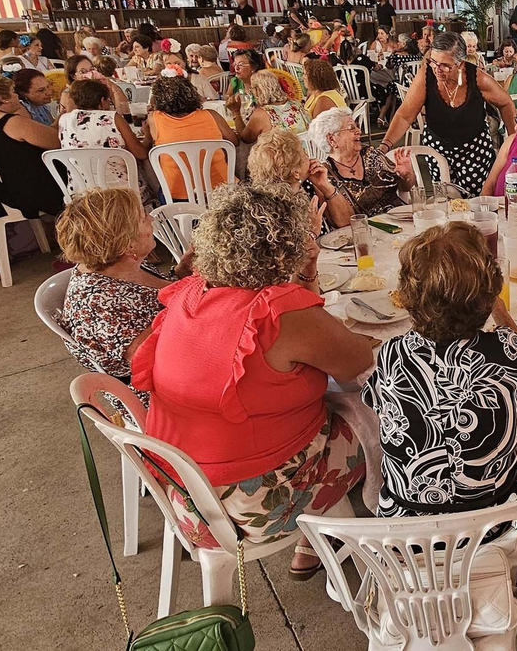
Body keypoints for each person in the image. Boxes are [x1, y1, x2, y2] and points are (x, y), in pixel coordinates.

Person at [133, 182, 375, 579]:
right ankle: (356, 525)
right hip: (254, 508)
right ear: (287, 246)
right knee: (377, 413)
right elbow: (359, 363)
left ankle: (317, 538)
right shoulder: (279, 313)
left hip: (187, 497)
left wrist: (307, 274)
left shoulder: (189, 292)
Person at [364, 222, 517, 540]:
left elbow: (373, 401)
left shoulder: (392, 353)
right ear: (488, 295)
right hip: (498, 538)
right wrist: (501, 313)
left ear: (408, 297)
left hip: (405, 541)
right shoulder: (505, 350)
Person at [56, 188, 188, 402]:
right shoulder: (100, 304)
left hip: (184, 362)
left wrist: (183, 271)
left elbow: (157, 296)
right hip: (161, 396)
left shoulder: (120, 266)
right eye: (142, 217)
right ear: (128, 244)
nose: (151, 218)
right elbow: (153, 358)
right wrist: (190, 297)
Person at [381, 33, 516, 197]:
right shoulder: (426, 75)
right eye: (433, 61)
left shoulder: (477, 78)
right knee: (443, 197)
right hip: (438, 146)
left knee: (476, 198)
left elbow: (506, 103)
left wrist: (513, 140)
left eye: (445, 65)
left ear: (460, 63)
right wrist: (385, 146)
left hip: (474, 149)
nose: (437, 69)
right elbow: (405, 115)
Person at [0, 73, 64, 217]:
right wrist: (65, 116)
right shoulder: (12, 123)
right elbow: (57, 142)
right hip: (28, 194)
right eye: (13, 92)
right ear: (3, 98)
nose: (17, 96)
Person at [307, 107, 415, 227]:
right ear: (331, 139)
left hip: (399, 222)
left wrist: (407, 175)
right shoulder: (324, 175)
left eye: (357, 126)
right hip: (364, 231)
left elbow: (405, 187)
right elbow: (341, 224)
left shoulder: (371, 155)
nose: (358, 131)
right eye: (351, 128)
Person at [146, 75, 239, 202]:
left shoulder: (154, 118)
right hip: (221, 191)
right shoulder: (212, 115)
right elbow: (234, 141)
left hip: (176, 197)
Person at [56, 78, 147, 196]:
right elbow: (141, 153)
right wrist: (148, 135)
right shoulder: (112, 118)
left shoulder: (64, 120)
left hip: (82, 194)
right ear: (102, 101)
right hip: (121, 193)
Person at [238, 70, 310, 141]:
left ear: (258, 90)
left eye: (252, 88)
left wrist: (235, 112)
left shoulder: (262, 114)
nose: (251, 91)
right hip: (306, 147)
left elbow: (245, 139)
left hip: (281, 148)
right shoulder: (296, 104)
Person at [223, 48, 263, 123]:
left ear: (253, 67)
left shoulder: (261, 84)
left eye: (241, 65)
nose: (236, 68)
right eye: (235, 64)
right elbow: (227, 100)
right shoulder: (235, 82)